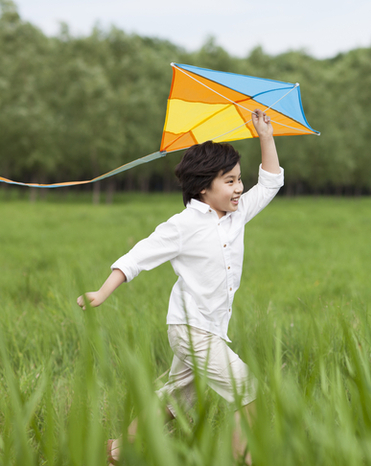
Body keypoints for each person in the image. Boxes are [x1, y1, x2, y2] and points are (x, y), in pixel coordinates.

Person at [77, 109, 283, 464]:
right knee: (245, 388)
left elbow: (270, 182)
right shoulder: (183, 225)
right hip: (190, 330)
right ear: (204, 188)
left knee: (178, 397)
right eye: (230, 181)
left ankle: (117, 450)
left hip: (212, 329)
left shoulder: (238, 214)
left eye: (239, 180)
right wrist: (102, 291)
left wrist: (266, 136)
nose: (239, 188)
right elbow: (138, 256)